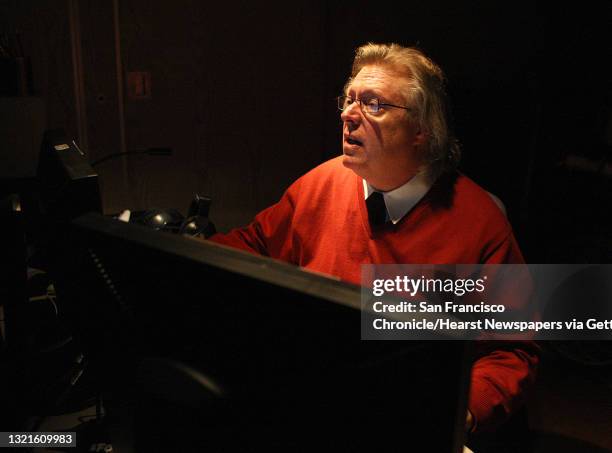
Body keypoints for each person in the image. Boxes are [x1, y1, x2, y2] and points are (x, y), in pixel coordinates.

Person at [210, 43, 538, 436]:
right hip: (315, 400)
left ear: (422, 130)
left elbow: (511, 351)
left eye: (374, 104)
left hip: (407, 415)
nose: (349, 115)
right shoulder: (321, 183)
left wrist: (456, 416)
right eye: (348, 101)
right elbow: (253, 247)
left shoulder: (478, 221)